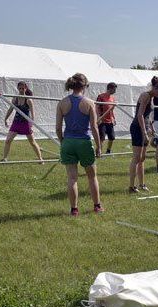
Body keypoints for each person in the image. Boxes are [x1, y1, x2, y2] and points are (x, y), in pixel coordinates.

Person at [56, 73, 103, 216]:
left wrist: (63, 141)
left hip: (68, 142)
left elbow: (58, 128)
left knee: (72, 178)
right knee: (92, 176)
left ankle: (74, 209)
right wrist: (99, 146)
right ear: (85, 86)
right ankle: (97, 206)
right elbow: (94, 127)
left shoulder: (62, 102)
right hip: (84, 141)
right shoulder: (89, 103)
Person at [129, 77, 158, 193]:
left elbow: (147, 116)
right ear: (155, 88)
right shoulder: (145, 96)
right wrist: (144, 132)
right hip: (137, 128)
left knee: (142, 158)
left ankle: (142, 184)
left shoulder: (151, 98)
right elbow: (140, 115)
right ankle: (131, 186)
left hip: (144, 127)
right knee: (136, 158)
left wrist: (151, 127)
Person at [2, 82, 43, 163]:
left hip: (26, 123)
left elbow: (32, 113)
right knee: (8, 140)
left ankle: (40, 159)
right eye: (20, 88)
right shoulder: (15, 99)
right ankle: (4, 158)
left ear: (26, 88)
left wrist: (32, 124)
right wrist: (6, 119)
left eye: (23, 88)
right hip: (16, 122)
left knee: (32, 142)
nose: (21, 90)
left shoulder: (28, 100)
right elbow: (10, 109)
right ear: (17, 88)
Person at [96, 82, 117, 154]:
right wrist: (99, 118)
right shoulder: (101, 96)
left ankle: (108, 151)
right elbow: (97, 107)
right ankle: (99, 152)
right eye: (114, 89)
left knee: (112, 137)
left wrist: (113, 118)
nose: (115, 91)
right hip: (102, 120)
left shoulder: (113, 98)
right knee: (101, 138)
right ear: (110, 89)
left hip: (110, 121)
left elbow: (111, 110)